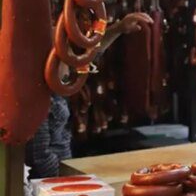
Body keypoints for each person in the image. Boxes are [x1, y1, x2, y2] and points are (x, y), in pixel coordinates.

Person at [26, 12, 154, 178]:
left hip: (62, 173)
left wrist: (118, 29)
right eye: (65, 54)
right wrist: (65, 182)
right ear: (49, 61)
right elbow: (38, 157)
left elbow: (90, 54)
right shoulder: (38, 100)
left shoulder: (58, 83)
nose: (71, 59)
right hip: (51, 182)